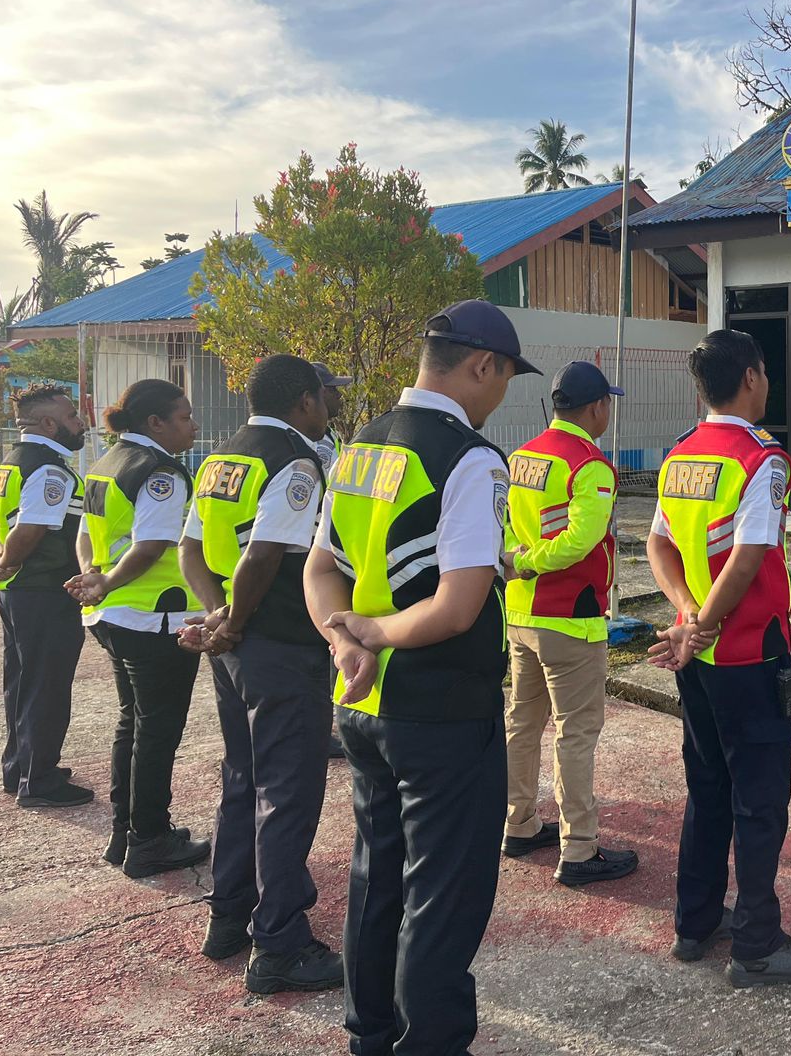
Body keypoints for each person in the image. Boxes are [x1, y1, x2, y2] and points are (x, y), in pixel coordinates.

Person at [306, 299, 536, 1055]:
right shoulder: (469, 457)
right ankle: (429, 1041)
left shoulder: (359, 448)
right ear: (482, 366)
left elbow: (323, 568)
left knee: (378, 881)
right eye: (503, 378)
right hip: (442, 710)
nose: (502, 394)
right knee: (442, 899)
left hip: (364, 705)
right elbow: (456, 607)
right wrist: (371, 631)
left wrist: (345, 639)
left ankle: (370, 1033)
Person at [646, 329, 791, 989]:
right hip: (749, 654)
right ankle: (756, 942)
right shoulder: (763, 459)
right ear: (751, 377)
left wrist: (688, 616)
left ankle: (695, 923)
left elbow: (659, 547)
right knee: (760, 801)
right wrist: (705, 626)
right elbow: (749, 560)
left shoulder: (681, 456)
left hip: (697, 658)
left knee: (708, 787)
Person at [178, 354, 343, 994]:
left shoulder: (224, 457)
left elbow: (192, 547)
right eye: (327, 394)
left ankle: (229, 915)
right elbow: (265, 552)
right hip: (278, 645)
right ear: (303, 401)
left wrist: (216, 614)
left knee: (243, 779)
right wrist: (237, 616)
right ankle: (278, 944)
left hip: (235, 647)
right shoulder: (295, 462)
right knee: (288, 792)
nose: (330, 406)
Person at [66, 379, 210, 878]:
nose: (193, 426)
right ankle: (149, 839)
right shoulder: (160, 472)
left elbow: (86, 533)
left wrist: (93, 577)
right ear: (156, 423)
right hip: (154, 617)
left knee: (133, 724)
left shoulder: (105, 463)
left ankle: (125, 833)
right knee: (156, 731)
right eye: (185, 417)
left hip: (113, 616)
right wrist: (103, 582)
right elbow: (150, 546)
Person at [502, 360, 637, 886]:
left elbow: (511, 526)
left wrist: (519, 560)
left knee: (522, 723)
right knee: (575, 734)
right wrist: (533, 558)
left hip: (521, 612)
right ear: (596, 407)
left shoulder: (523, 456)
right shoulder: (590, 465)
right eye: (608, 404)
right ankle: (579, 848)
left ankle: (518, 823)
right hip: (571, 617)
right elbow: (581, 541)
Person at [0, 383, 92, 807]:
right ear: (48, 423)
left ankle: (20, 766)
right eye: (70, 416)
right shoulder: (50, 470)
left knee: (22, 683)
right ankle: (40, 780)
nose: (79, 422)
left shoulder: (11, 464)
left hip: (18, 593)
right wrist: (8, 560)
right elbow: (29, 530)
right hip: (45, 589)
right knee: (46, 686)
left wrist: (0, 560)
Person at [310, 360, 354, 761]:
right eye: (332, 389)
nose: (338, 396)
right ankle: (324, 728)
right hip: (323, 561)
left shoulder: (329, 440)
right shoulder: (317, 447)